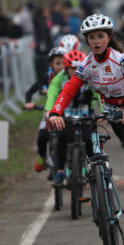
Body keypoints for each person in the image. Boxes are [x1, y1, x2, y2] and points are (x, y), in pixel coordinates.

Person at [48, 14, 124, 245]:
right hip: (109, 115)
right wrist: (56, 111)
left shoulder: (121, 60)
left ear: (109, 37)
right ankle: (97, 180)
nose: (96, 41)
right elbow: (69, 89)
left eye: (100, 36)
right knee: (95, 137)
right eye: (91, 38)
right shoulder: (86, 63)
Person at [45, 50, 99, 186]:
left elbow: (99, 93)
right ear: (66, 68)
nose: (75, 72)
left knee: (89, 139)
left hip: (86, 114)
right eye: (72, 69)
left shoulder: (89, 77)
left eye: (78, 68)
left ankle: (93, 167)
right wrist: (49, 111)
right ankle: (60, 171)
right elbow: (52, 94)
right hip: (67, 115)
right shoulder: (59, 79)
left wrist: (104, 112)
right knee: (61, 138)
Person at [24, 46, 66, 173]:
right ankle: (43, 157)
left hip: (67, 111)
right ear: (51, 64)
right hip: (50, 111)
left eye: (64, 63)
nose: (61, 67)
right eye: (58, 63)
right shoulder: (47, 77)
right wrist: (28, 102)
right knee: (42, 136)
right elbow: (30, 91)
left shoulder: (71, 76)